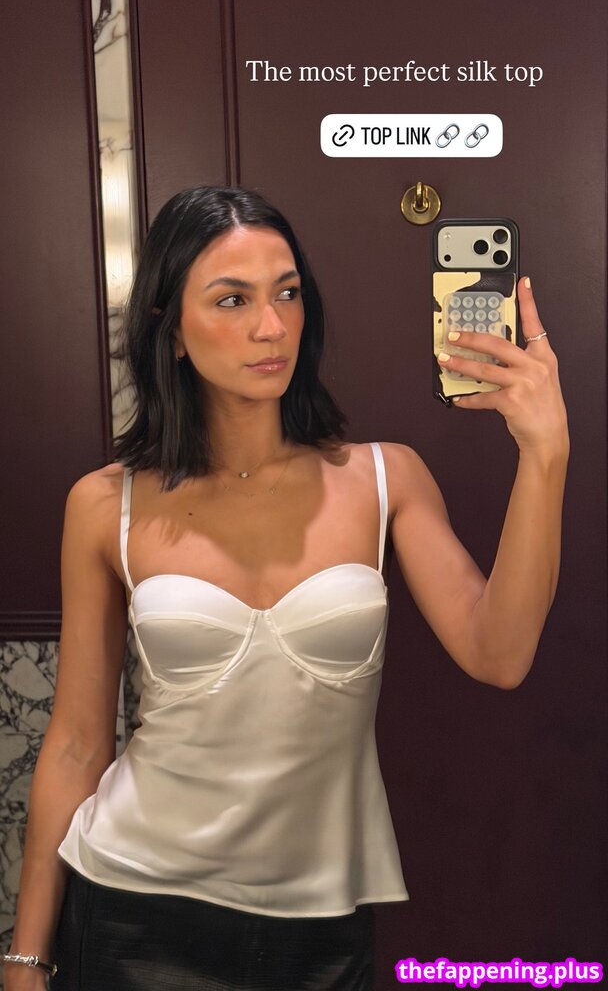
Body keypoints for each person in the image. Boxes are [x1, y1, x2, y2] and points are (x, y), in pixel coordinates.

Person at [4, 186, 569, 991]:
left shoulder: (385, 478)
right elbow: (76, 745)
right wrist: (26, 959)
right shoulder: (106, 505)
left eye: (288, 292)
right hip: (132, 911)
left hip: (321, 930)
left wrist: (545, 455)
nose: (272, 326)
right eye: (232, 299)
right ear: (170, 329)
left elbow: (500, 654)